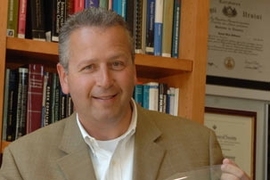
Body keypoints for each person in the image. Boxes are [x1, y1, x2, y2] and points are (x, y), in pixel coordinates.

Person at [0, 8, 251, 180]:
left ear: (133, 70)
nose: (105, 80)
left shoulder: (199, 145)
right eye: (89, 67)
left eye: (116, 64)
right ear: (64, 77)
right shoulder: (24, 162)